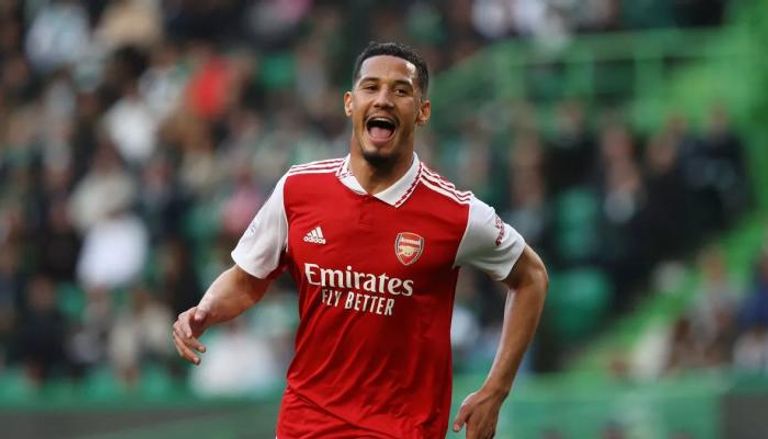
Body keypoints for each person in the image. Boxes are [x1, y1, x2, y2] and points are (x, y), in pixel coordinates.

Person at [172, 41, 548, 439]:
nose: (383, 99)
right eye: (371, 87)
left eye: (400, 90)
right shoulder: (298, 190)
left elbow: (531, 277)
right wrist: (205, 310)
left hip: (403, 430)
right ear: (350, 103)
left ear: (422, 112)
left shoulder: (457, 213)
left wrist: (496, 389)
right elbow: (247, 278)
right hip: (306, 426)